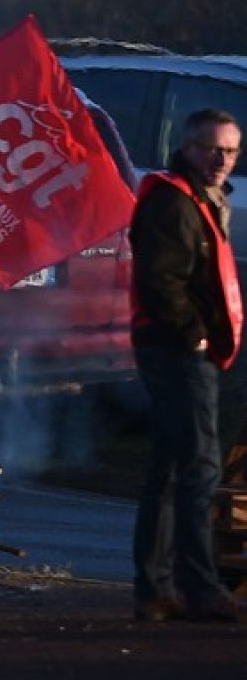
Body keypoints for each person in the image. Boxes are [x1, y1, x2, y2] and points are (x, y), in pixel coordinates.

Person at [129, 107, 245, 622]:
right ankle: (200, 588)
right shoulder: (173, 202)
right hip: (176, 351)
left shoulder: (199, 199)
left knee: (172, 466)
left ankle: (155, 587)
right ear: (188, 147)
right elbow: (162, 281)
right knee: (199, 466)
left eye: (231, 150)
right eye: (211, 149)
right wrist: (195, 337)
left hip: (180, 348)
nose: (221, 160)